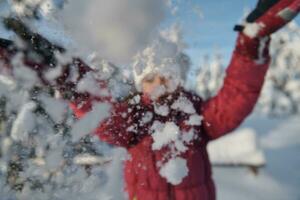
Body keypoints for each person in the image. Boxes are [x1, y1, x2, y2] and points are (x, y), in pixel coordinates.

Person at [0, 0, 299, 200]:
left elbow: (235, 100)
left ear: (179, 77)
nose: (159, 84)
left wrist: (251, 44)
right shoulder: (132, 123)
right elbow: (102, 117)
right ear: (141, 84)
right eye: (150, 78)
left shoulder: (196, 117)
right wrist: (71, 79)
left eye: (166, 75)